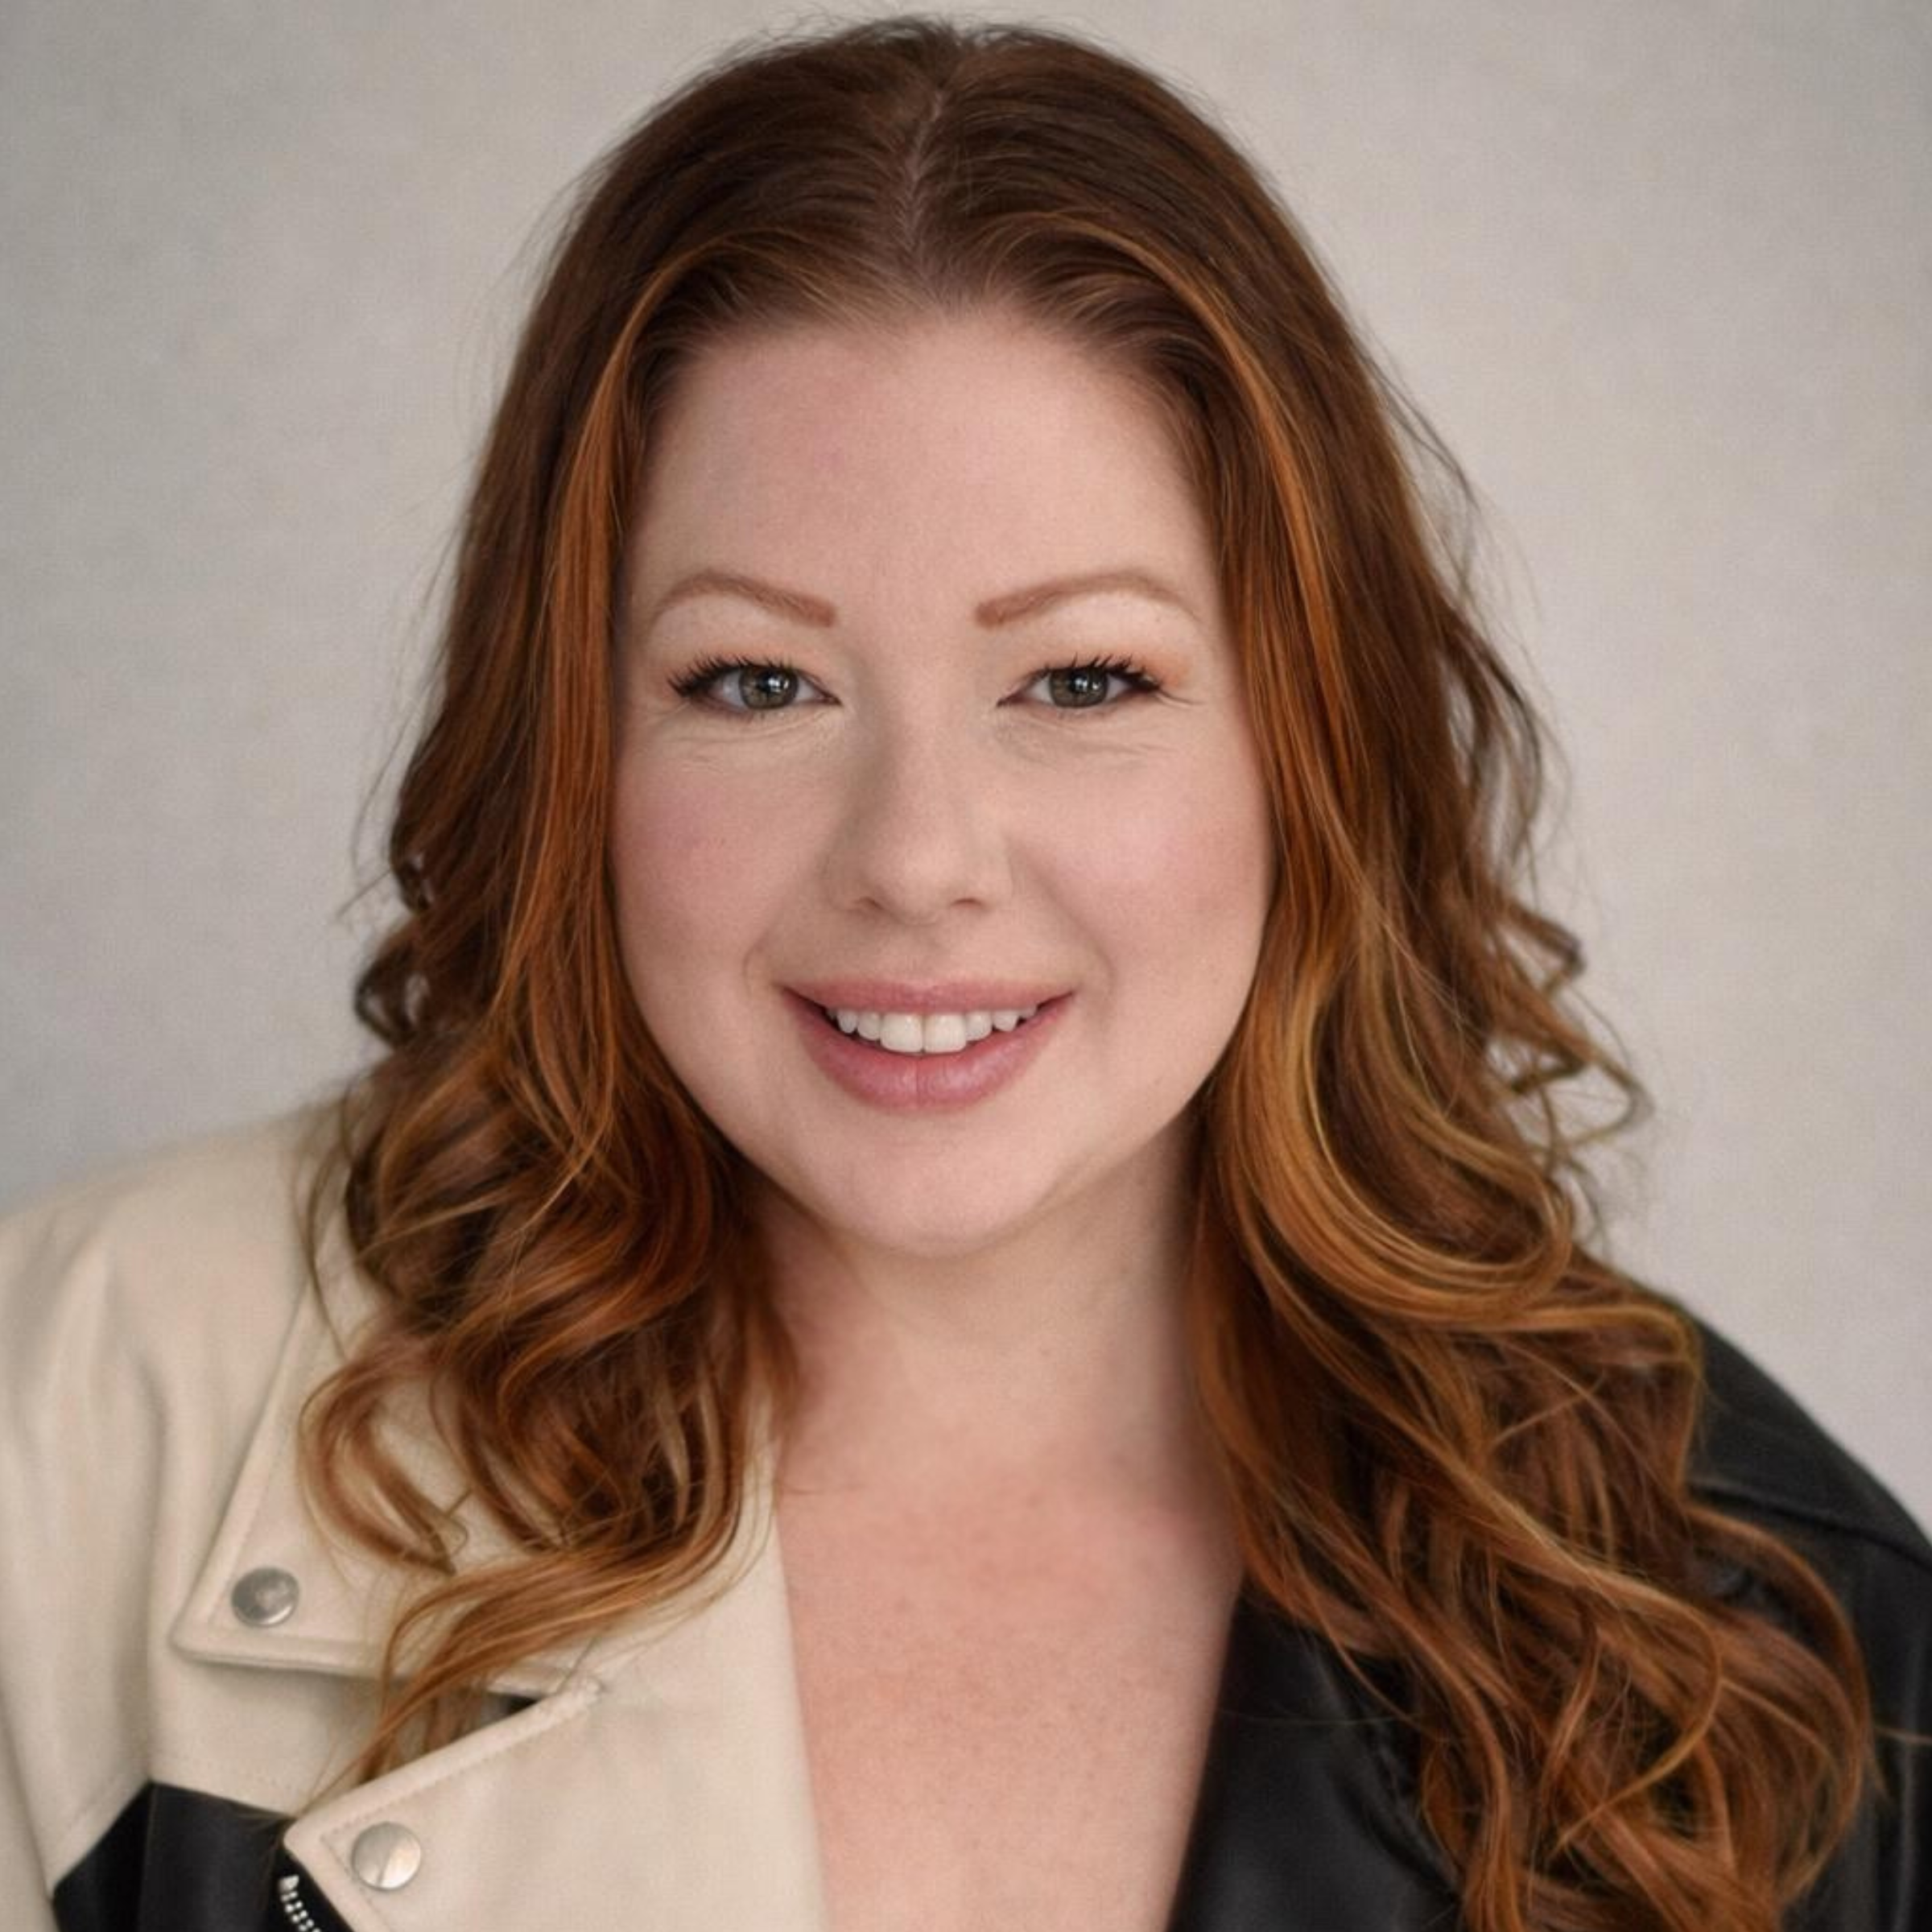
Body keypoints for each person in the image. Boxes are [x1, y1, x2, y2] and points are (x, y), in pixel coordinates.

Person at [1, 15, 1925, 1932]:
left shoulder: (1766, 1629)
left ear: (1313, 746)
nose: (917, 859)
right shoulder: (76, 1428)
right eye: (756, 682)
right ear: (569, 738)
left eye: (1083, 680)